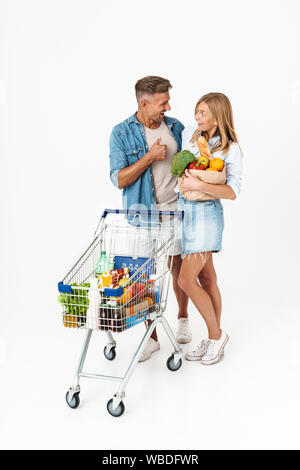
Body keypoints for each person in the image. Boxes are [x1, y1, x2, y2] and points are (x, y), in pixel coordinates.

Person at [109, 76, 192, 361]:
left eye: (168, 100)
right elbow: (119, 179)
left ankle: (183, 317)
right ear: (144, 103)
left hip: (176, 210)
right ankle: (152, 337)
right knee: (142, 276)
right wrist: (149, 157)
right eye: (162, 102)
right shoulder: (121, 133)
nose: (167, 107)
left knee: (178, 266)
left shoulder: (176, 127)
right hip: (142, 214)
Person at [177, 92, 243, 365]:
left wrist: (200, 185)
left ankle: (217, 335)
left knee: (185, 280)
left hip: (206, 218)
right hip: (184, 215)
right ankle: (211, 337)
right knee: (207, 280)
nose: (197, 117)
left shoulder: (231, 150)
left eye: (203, 113)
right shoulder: (190, 135)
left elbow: (233, 192)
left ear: (218, 116)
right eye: (197, 111)